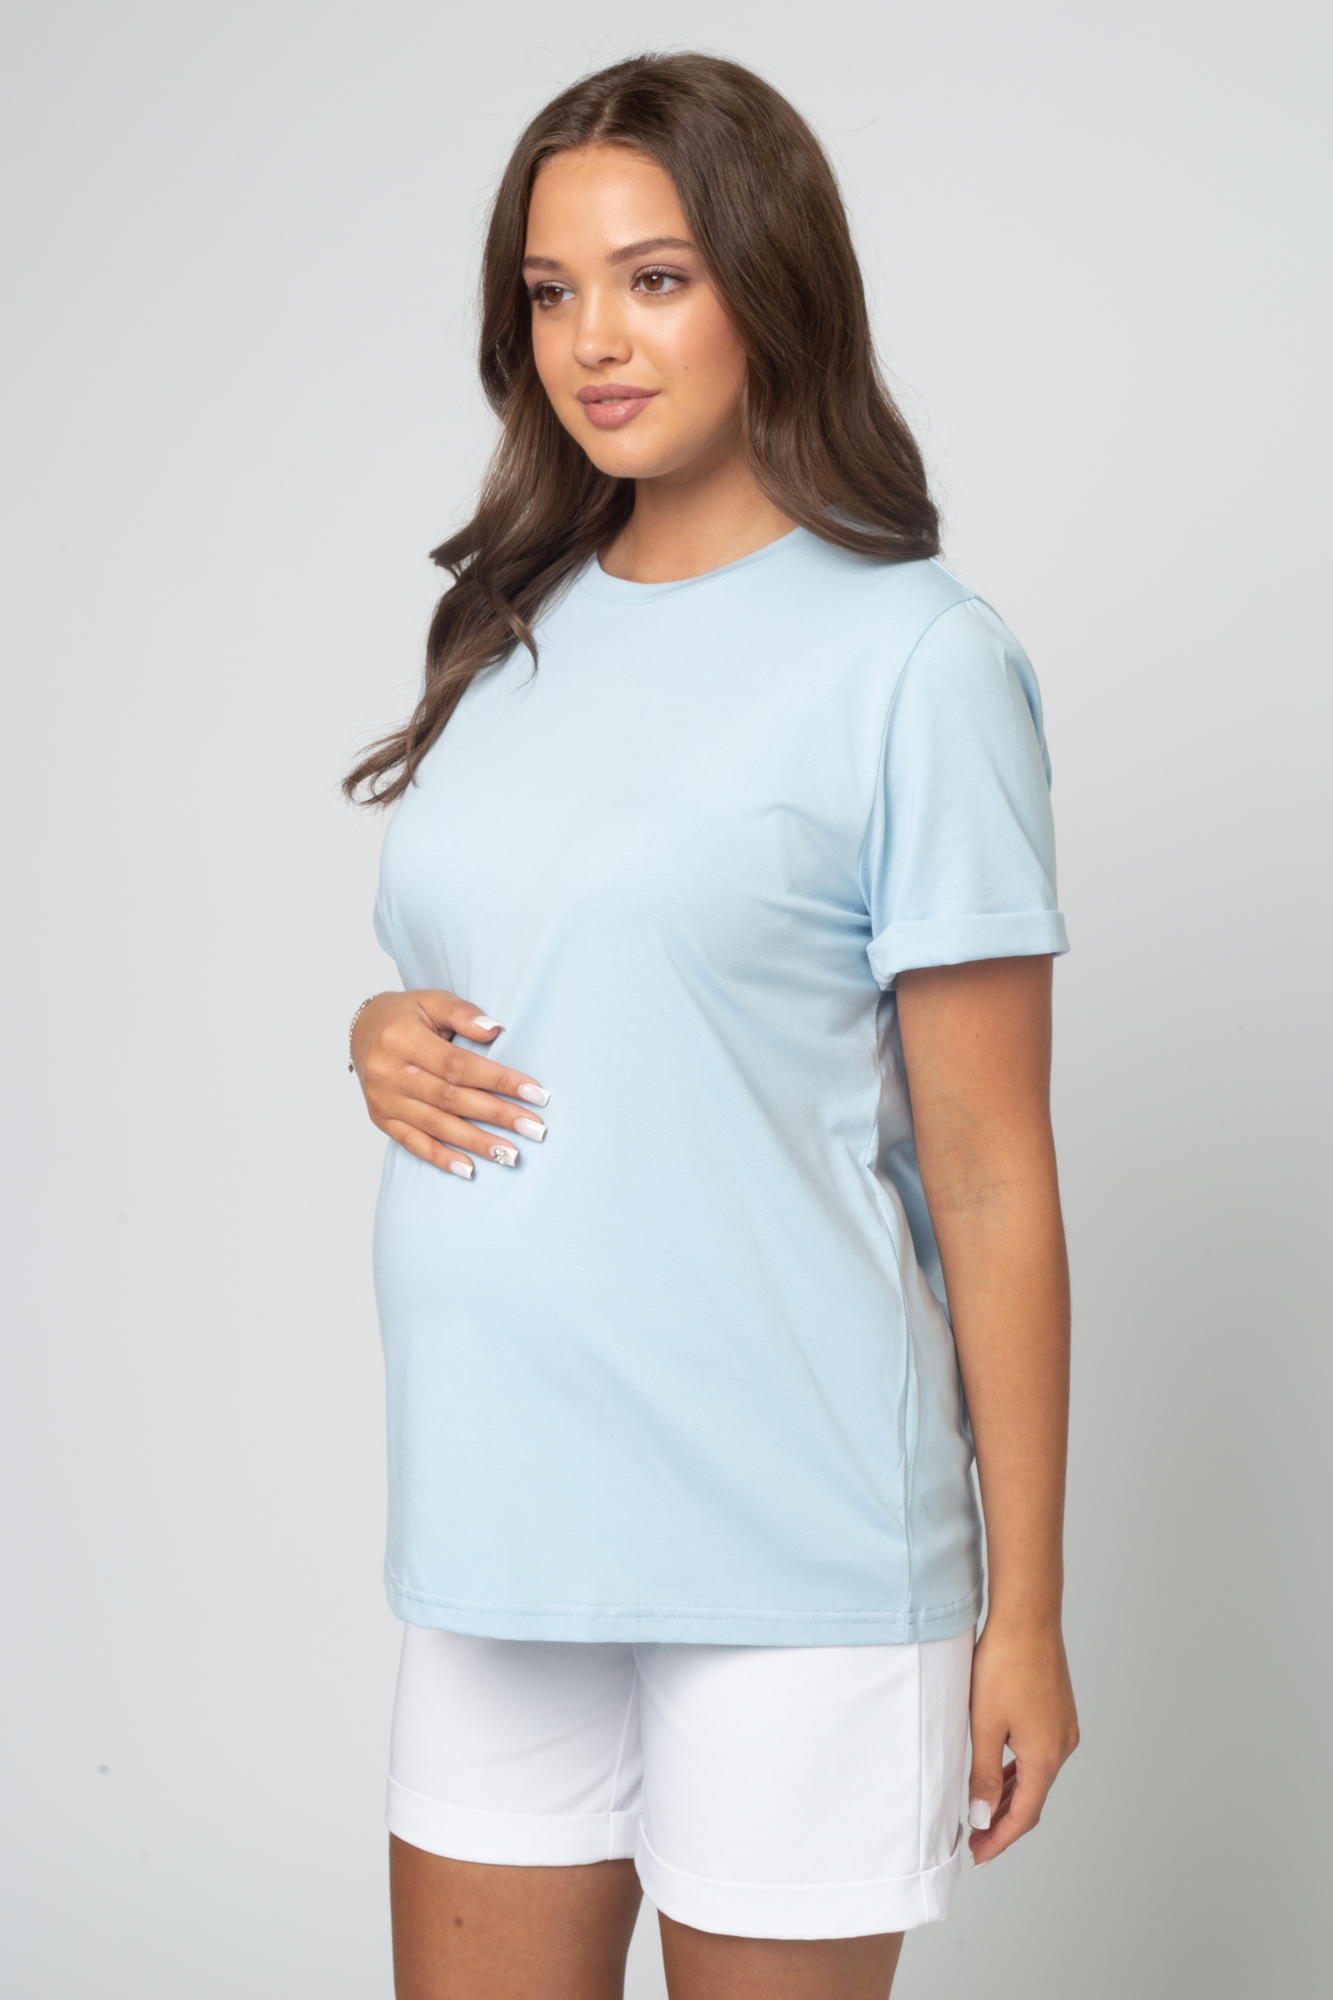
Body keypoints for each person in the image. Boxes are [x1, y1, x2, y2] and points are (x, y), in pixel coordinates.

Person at [345, 51, 1078, 2000]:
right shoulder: (507, 627)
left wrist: (1023, 1610)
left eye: (654, 278)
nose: (593, 339)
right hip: (499, 1519)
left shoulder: (915, 659)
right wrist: (375, 1033)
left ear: (773, 281)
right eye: (550, 290)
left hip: (795, 1543)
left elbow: (990, 1175)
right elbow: (550, 961)